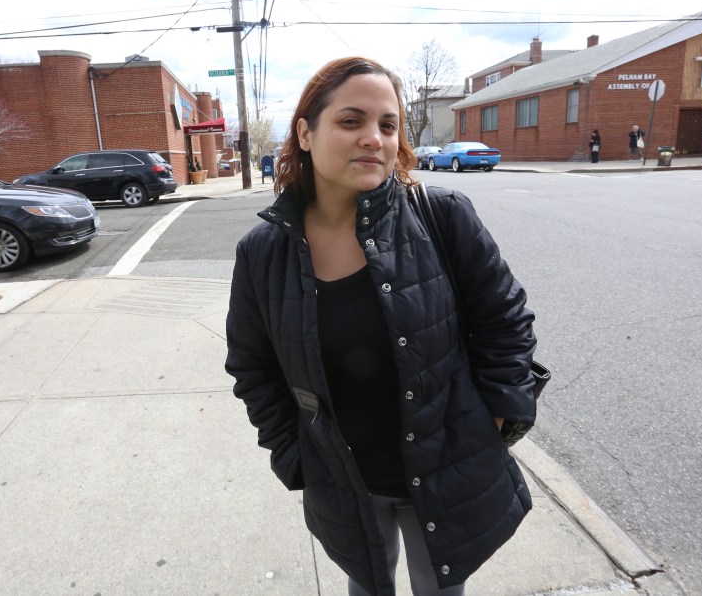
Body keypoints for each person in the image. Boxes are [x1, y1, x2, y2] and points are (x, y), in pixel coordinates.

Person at [224, 56, 538, 596]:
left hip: (447, 464)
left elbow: (504, 320)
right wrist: (293, 455)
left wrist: (501, 417)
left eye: (387, 125)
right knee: (367, 584)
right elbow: (254, 368)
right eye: (351, 121)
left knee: (440, 587)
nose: (374, 138)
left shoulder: (443, 217)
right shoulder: (262, 253)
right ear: (305, 131)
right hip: (345, 478)